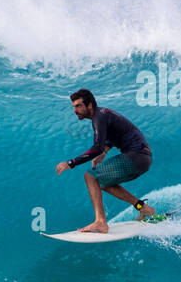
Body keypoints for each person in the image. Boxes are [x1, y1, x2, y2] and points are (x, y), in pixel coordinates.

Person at [55, 88, 158, 232]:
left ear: (89, 105)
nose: (75, 110)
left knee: (90, 176)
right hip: (142, 158)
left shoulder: (99, 117)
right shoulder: (103, 115)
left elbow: (96, 147)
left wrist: (71, 163)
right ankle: (143, 208)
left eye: (78, 106)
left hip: (136, 155)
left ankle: (100, 221)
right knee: (102, 182)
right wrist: (105, 151)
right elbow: (118, 133)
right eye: (73, 107)